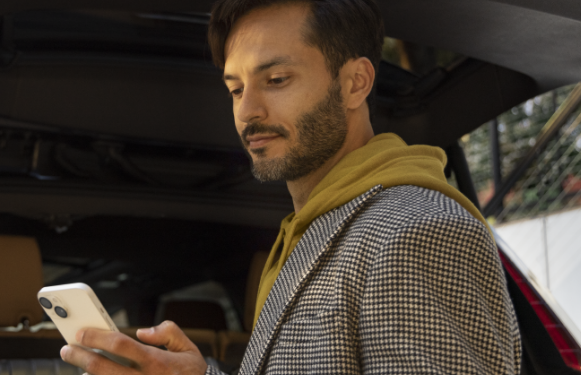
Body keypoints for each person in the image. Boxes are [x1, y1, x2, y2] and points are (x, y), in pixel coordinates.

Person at [59, 0, 522, 374]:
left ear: (355, 83)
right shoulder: (310, 233)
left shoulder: (415, 232)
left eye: (276, 80)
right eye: (236, 89)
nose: (248, 111)